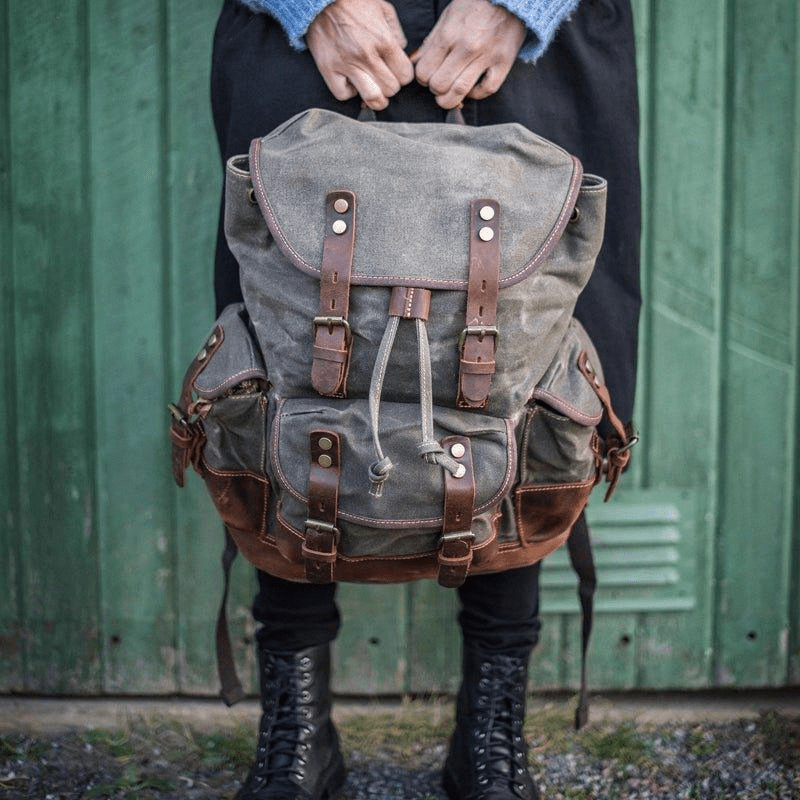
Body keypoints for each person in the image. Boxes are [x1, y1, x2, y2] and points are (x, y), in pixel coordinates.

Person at [210, 1, 641, 798]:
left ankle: (490, 739)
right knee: (290, 369)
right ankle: (298, 734)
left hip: (535, 43)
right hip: (311, 36)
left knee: (528, 378)